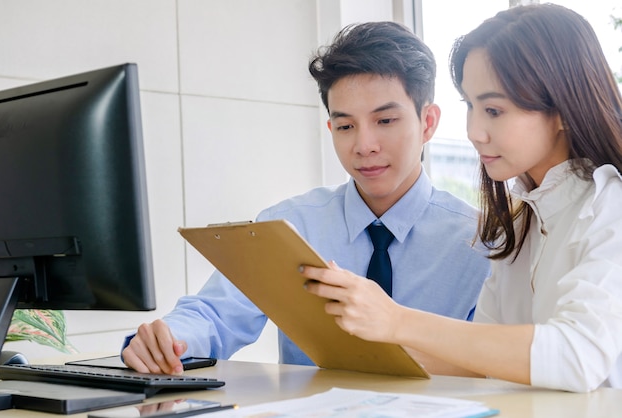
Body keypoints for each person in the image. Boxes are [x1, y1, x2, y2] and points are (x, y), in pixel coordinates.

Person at [121, 21, 490, 375]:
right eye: (345, 126)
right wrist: (165, 341)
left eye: (385, 121)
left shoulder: (483, 244)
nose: (364, 146)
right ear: (331, 128)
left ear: (428, 123)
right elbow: (215, 315)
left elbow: (489, 364)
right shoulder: (290, 226)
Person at [302, 4, 622, 393]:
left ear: (562, 110)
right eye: (470, 106)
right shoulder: (523, 223)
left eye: (493, 110)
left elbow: (577, 356)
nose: (474, 131)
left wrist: (397, 320)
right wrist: (350, 352)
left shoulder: (610, 206)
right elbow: (482, 362)